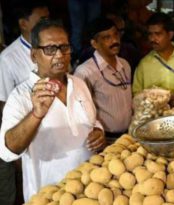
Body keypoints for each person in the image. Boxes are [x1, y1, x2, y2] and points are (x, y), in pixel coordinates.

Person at [0, 19, 106, 201]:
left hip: (88, 191)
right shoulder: (21, 96)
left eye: (64, 47)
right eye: (50, 49)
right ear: (34, 56)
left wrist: (98, 131)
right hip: (49, 196)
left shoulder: (79, 84)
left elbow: (92, 120)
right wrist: (36, 114)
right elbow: (8, 151)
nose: (59, 55)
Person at [0, 2, 49, 204]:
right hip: (26, 136)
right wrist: (18, 148)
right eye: (42, 20)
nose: (48, 24)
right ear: (23, 23)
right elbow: (2, 103)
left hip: (52, 136)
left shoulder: (53, 50)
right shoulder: (8, 58)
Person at [75, 17, 132, 142]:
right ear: (94, 44)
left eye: (116, 34)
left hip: (128, 137)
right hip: (104, 139)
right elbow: (80, 112)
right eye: (107, 38)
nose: (115, 40)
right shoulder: (85, 72)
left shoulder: (125, 65)